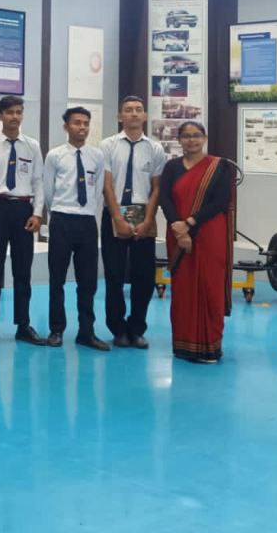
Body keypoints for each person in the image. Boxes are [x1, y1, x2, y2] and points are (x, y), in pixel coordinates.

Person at [160, 121, 236, 364]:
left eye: (195, 136)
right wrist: (179, 230)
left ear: (204, 138)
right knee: (183, 289)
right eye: (185, 136)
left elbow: (221, 201)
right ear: (179, 140)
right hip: (177, 234)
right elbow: (165, 199)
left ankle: (209, 346)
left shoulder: (220, 167)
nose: (191, 140)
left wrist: (190, 223)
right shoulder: (171, 167)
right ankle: (184, 345)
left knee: (209, 286)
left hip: (209, 235)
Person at [101, 95, 167, 349]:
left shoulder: (155, 148)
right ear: (120, 116)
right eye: (128, 110)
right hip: (114, 214)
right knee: (114, 276)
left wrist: (148, 220)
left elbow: (157, 188)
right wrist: (117, 218)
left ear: (145, 116)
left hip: (144, 214)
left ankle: (137, 328)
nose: (134, 114)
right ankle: (117, 329)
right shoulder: (107, 145)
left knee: (144, 278)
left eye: (139, 110)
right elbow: (107, 186)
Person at [43, 107, 109, 351]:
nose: (82, 127)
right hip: (61, 219)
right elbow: (48, 191)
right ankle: (56, 330)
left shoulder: (97, 157)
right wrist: (57, 212)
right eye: (77, 123)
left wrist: (90, 215)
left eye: (85, 123)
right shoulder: (55, 155)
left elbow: (98, 190)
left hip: (87, 223)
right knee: (57, 280)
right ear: (66, 127)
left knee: (88, 281)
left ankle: (86, 331)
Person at [0, 96, 46, 346]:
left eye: (19, 112)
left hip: (23, 211)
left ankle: (23, 324)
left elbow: (38, 181)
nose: (15, 117)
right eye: (9, 112)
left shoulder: (32, 146)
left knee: (23, 272)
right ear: (0, 116)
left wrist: (38, 213)